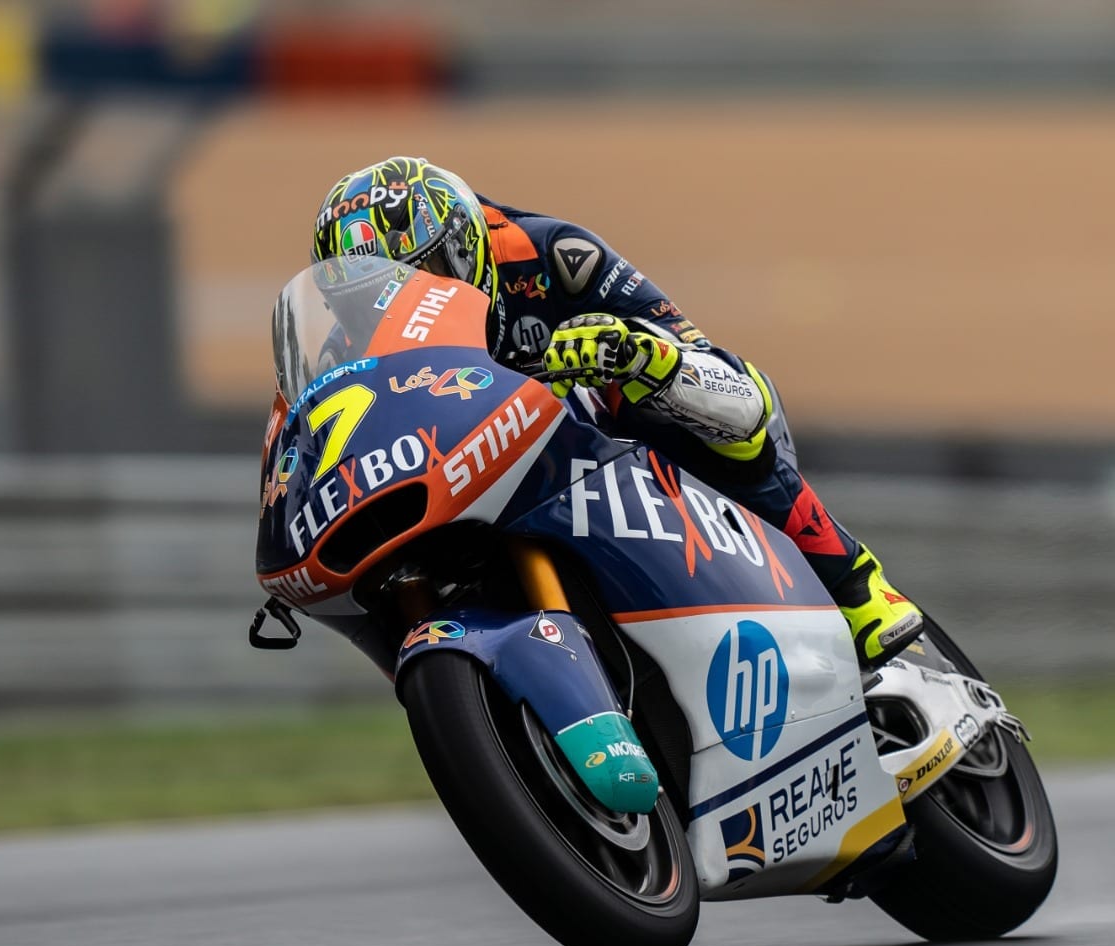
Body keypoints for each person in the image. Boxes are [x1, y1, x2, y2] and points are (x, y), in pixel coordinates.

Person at [310, 156, 922, 669]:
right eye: (366, 300)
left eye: (423, 276)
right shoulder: (347, 354)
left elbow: (737, 393)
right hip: (487, 480)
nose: (402, 307)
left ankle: (853, 582)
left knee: (669, 400)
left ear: (466, 246)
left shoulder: (552, 252)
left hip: (612, 449)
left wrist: (634, 354)